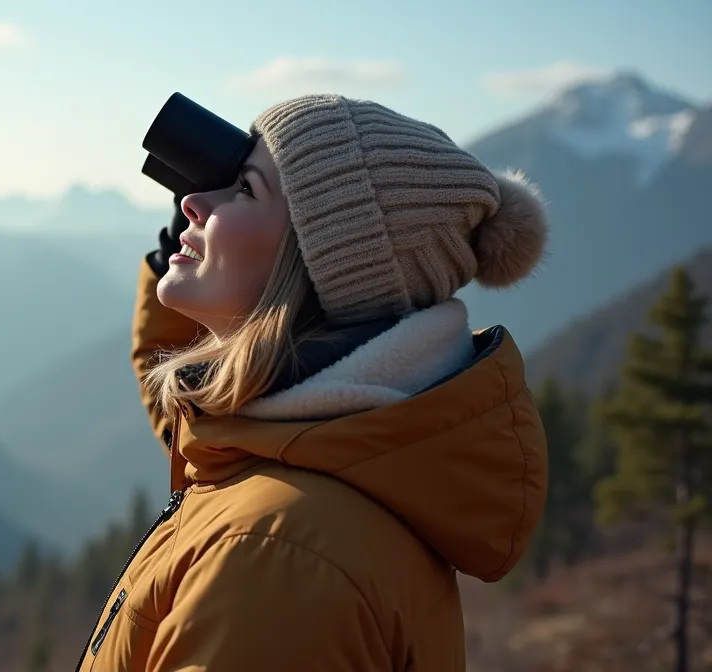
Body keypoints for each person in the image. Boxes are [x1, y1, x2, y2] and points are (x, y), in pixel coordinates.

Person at [73, 94, 550, 671]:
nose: (193, 200)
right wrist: (185, 265)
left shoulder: (272, 561)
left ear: (320, 269)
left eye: (245, 188)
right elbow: (205, 424)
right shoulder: (323, 458)